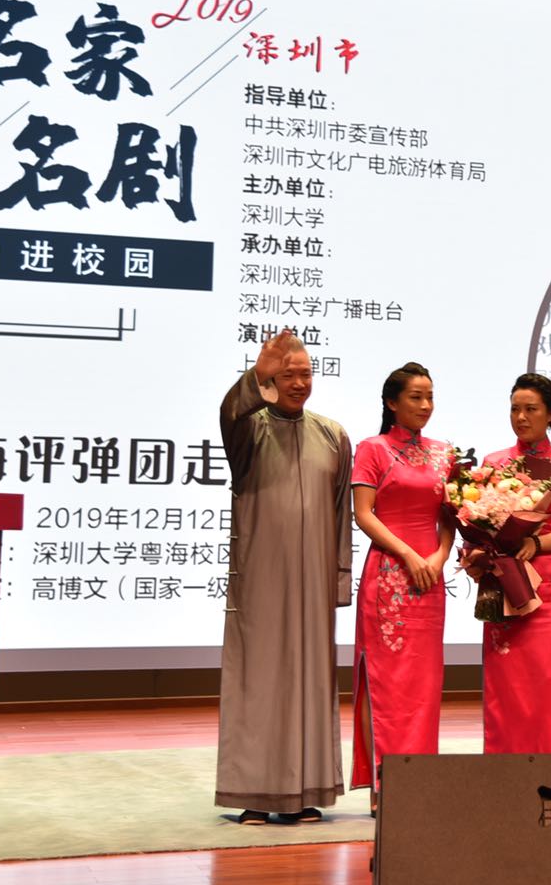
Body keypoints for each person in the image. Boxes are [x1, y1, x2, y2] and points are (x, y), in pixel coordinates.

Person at [216, 330, 353, 825]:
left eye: (306, 374)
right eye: (288, 374)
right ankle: (256, 793)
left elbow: (340, 516)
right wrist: (255, 375)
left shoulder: (333, 435)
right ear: (271, 379)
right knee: (261, 680)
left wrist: (339, 581)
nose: (299, 383)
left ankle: (303, 793)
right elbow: (230, 414)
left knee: (311, 682)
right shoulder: (249, 430)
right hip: (262, 577)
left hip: (313, 580)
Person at [349, 362, 454, 798]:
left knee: (424, 685)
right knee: (387, 683)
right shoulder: (372, 449)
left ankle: (420, 784)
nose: (425, 405)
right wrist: (409, 554)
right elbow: (363, 514)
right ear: (392, 402)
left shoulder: (445, 453)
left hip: (429, 579)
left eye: (430, 397)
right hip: (389, 577)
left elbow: (450, 517)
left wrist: (440, 556)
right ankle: (385, 786)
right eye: (415, 397)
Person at [477, 373, 551, 753]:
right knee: (503, 680)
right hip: (504, 580)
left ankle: (547, 768)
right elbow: (481, 521)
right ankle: (502, 769)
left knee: (545, 679)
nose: (521, 417)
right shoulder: (494, 463)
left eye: (531, 409)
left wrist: (535, 542)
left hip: (550, 583)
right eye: (515, 409)